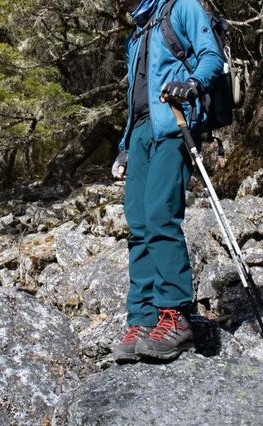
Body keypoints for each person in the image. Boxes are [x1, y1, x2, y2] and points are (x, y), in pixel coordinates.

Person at [111, 0, 224, 361]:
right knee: (138, 224)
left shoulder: (182, 7)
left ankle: (175, 316)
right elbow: (135, 100)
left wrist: (191, 83)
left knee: (160, 214)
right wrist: (125, 147)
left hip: (174, 125)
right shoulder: (137, 32)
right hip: (141, 133)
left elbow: (212, 56)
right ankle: (142, 319)